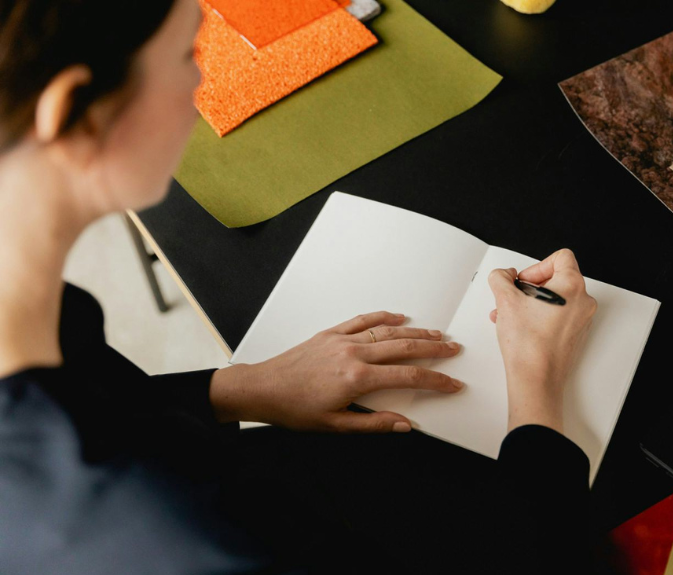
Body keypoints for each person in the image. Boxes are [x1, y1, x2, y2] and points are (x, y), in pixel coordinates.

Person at [0, 0, 598, 573]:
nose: (202, 85)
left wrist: (239, 388)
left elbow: (100, 401)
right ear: (76, 107)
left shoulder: (33, 312)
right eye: (188, 54)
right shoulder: (182, 530)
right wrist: (538, 384)